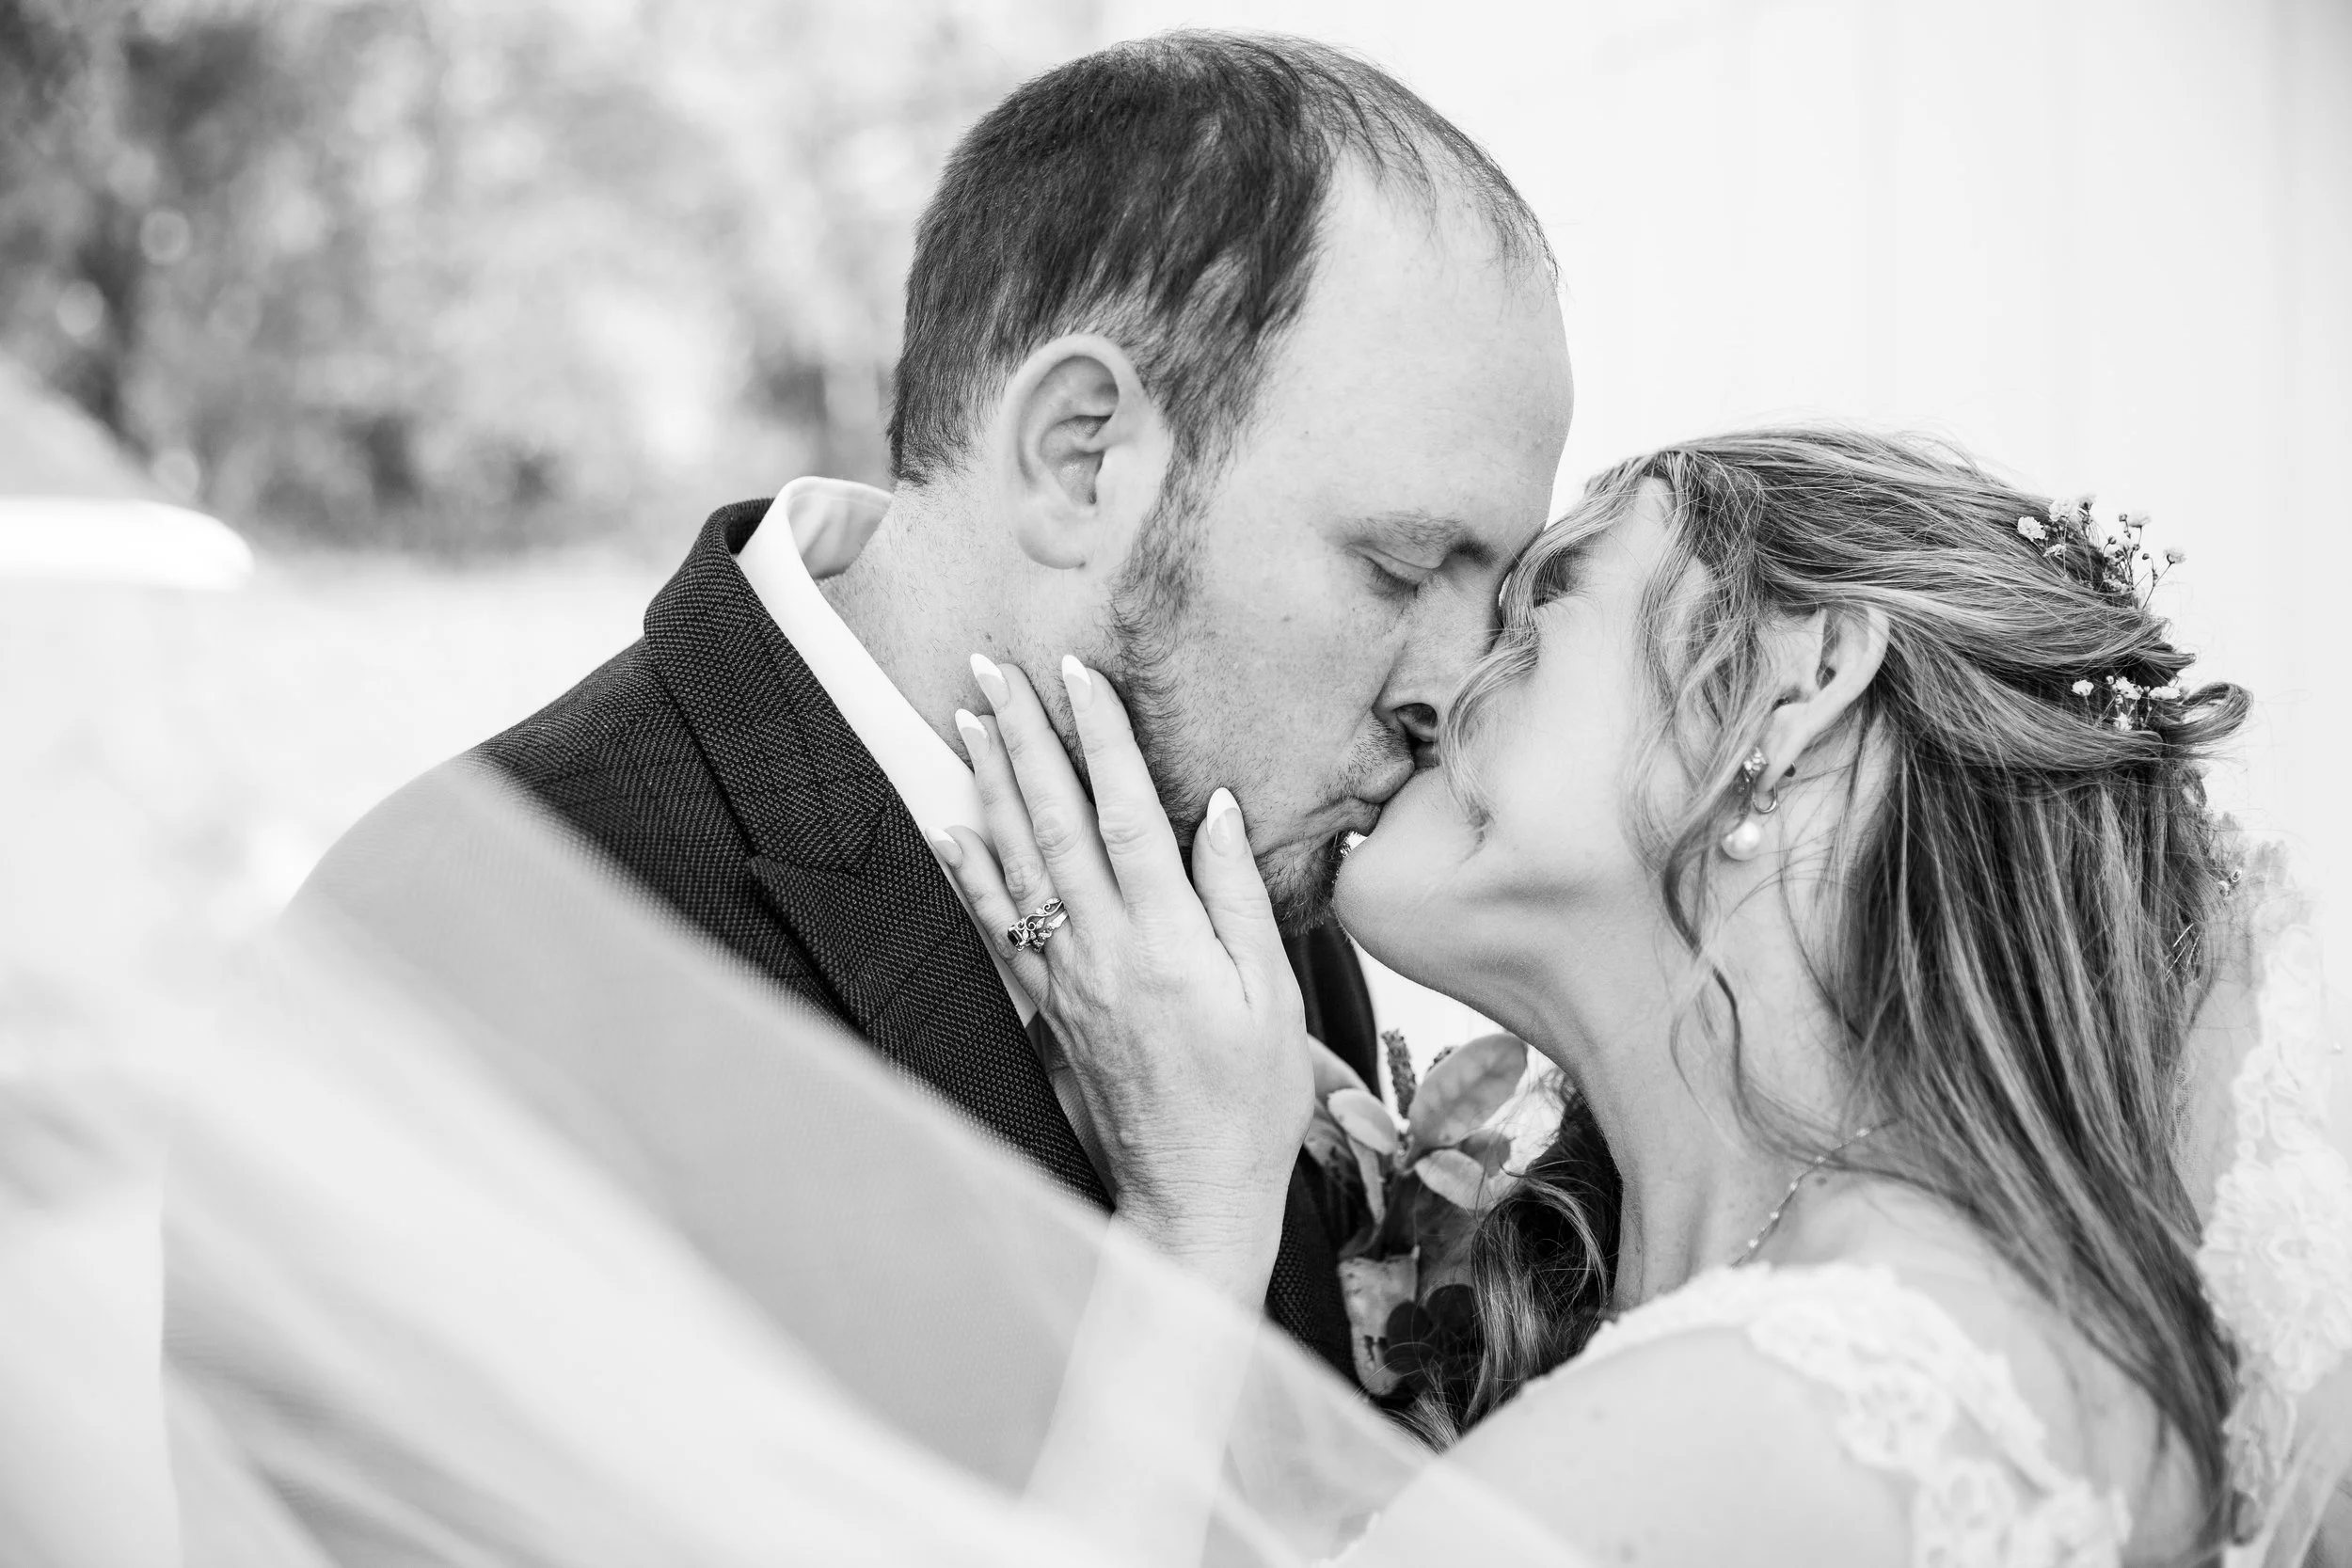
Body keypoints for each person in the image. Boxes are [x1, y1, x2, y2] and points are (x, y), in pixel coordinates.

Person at [294, 29, 1573, 1383]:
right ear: (1079, 455)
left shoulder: (1248, 880)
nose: (1454, 688)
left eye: (1495, 597)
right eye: (1404, 565)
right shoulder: (449, 936)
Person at [935, 427, 2336, 1566]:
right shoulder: (1908, 1339)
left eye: (1540, 615)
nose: (1437, 690)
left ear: (1800, 686)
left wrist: (1196, 1212)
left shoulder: (1773, 1411)